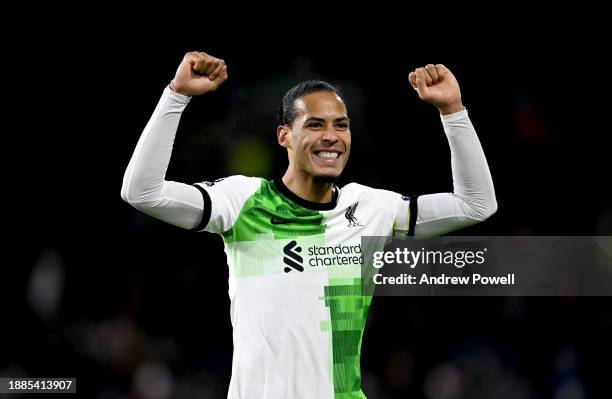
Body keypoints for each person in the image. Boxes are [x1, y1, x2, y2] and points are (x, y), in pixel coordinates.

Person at [121, 51, 497, 398]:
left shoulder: (370, 208)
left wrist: (453, 111)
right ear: (285, 135)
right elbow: (142, 191)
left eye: (341, 125)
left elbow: (475, 204)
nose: (332, 136)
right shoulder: (242, 202)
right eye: (315, 124)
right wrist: (176, 96)